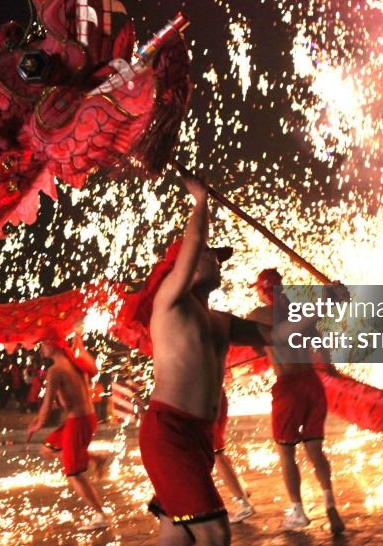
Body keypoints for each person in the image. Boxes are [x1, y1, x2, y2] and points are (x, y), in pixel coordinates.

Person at [134, 172, 270, 546]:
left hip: (199, 437)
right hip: (170, 432)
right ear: (189, 266)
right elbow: (194, 241)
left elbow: (280, 337)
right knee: (214, 533)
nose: (219, 263)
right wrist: (200, 201)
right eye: (212, 257)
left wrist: (328, 304)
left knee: (177, 534)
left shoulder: (220, 321)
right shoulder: (171, 303)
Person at [248, 268, 346, 534]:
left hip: (288, 387)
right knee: (315, 449)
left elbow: (253, 344)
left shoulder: (258, 316)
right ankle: (329, 503)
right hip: (311, 384)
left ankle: (298, 511)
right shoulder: (301, 312)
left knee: (287, 452)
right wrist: (330, 368)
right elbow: (321, 347)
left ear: (262, 290)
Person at [28, 332, 110, 532]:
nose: (41, 348)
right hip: (85, 420)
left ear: (54, 345)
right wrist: (80, 348)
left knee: (74, 473)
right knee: (47, 449)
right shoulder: (76, 363)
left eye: (44, 343)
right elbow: (94, 368)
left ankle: (100, 515)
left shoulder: (55, 370)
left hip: (78, 422)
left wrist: (37, 424)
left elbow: (47, 406)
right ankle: (95, 459)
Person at [212, 386, 254, 523]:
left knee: (217, 454)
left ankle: (244, 504)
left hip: (203, 398)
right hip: (216, 393)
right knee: (217, 453)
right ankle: (242, 491)